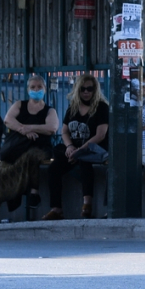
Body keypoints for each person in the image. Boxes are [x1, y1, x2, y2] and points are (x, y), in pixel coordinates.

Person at [0, 75, 58, 224]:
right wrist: (23, 130)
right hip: (16, 148)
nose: (36, 90)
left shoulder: (49, 111)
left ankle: (34, 192)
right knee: (2, 175)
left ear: (44, 89)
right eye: (33, 87)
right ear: (28, 89)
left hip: (39, 147)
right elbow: (8, 120)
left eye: (39, 87)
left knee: (32, 156)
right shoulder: (20, 105)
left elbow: (51, 128)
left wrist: (29, 127)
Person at [42, 74, 109, 220]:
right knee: (54, 168)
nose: (86, 92)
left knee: (84, 161)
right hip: (74, 150)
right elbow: (64, 131)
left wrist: (80, 150)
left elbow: (100, 135)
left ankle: (87, 205)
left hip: (94, 149)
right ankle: (56, 209)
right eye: (82, 89)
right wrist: (70, 147)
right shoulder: (73, 107)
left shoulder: (102, 107)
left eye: (89, 89)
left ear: (95, 90)